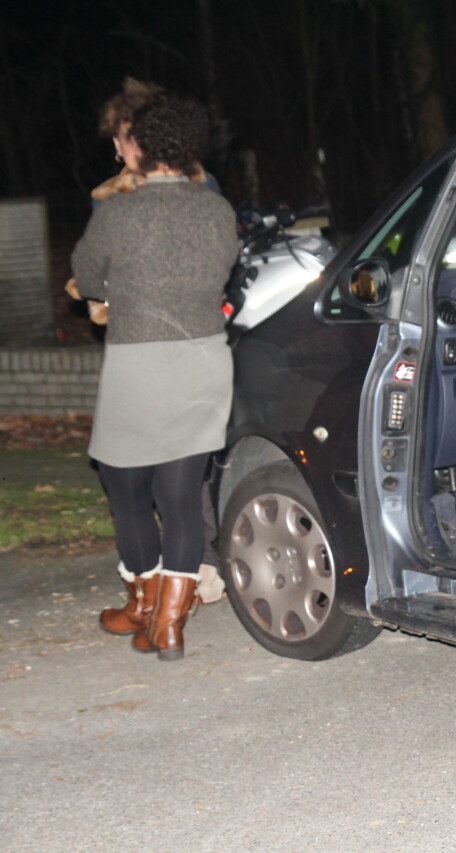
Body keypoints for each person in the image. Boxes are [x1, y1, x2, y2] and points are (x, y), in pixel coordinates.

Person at [71, 94, 239, 661]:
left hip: (139, 365)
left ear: (138, 145)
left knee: (128, 494)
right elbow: (223, 271)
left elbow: (86, 277)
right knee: (182, 498)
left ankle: (144, 605)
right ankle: (169, 626)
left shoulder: (118, 212)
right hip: (206, 361)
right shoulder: (217, 210)